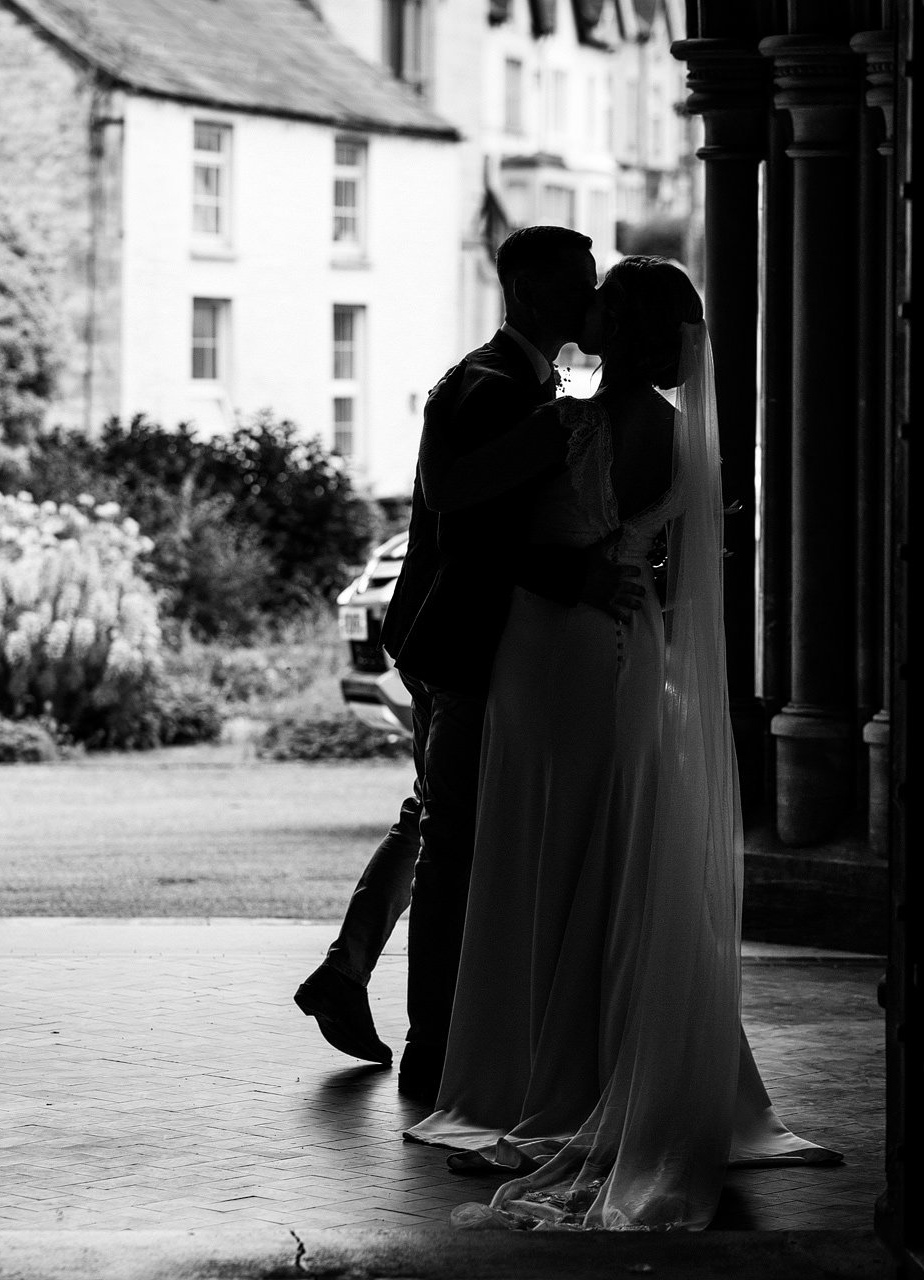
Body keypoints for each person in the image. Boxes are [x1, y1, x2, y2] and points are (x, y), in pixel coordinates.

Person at [402, 257, 837, 1229]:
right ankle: (621, 1056)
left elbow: (466, 503)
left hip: (548, 651)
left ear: (623, 322)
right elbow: (685, 567)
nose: (585, 303)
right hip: (629, 651)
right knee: (618, 850)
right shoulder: (682, 434)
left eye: (600, 297)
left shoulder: (579, 419)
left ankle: (535, 1073)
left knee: (542, 849)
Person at [293, 227, 645, 1094]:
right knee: (453, 839)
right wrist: (582, 574)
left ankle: (348, 970)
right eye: (575, 285)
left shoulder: (521, 381)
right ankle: (434, 1048)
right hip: (466, 642)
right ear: (525, 288)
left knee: (439, 817)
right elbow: (469, 531)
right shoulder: (489, 387)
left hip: (473, 639)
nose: (590, 300)